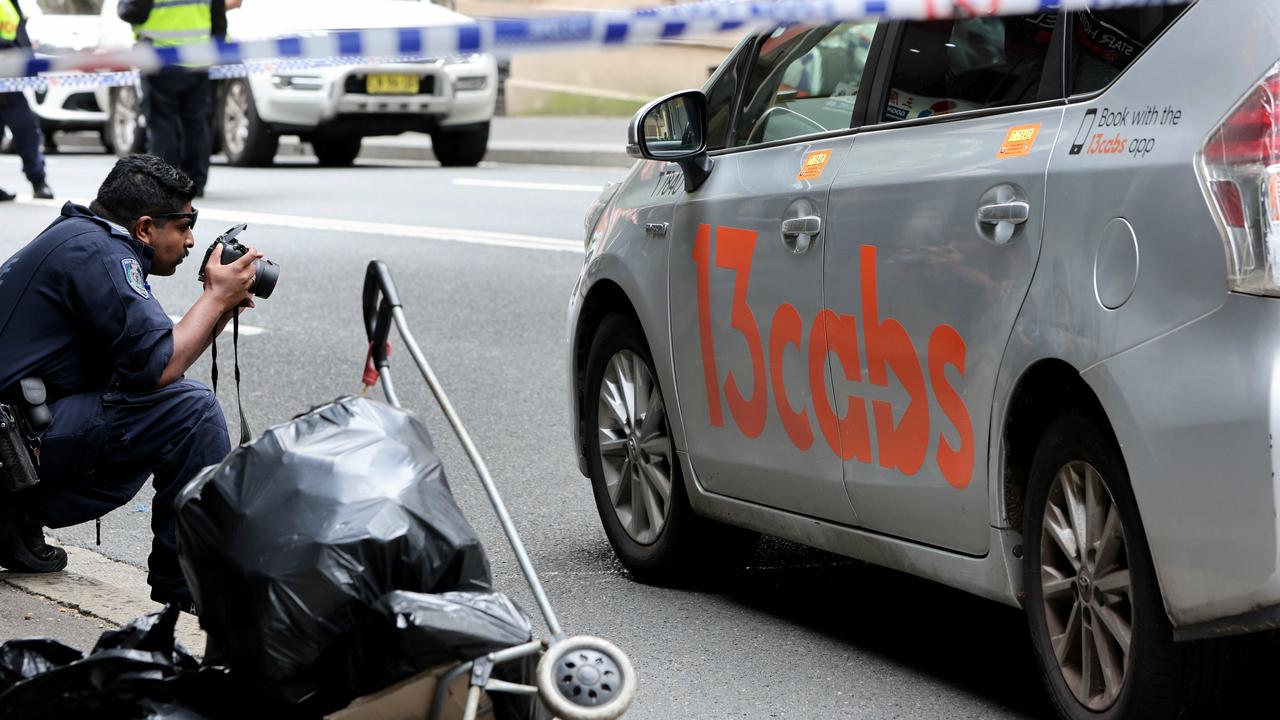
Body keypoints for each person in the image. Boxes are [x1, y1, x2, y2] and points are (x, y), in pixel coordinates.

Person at [0, 154, 262, 609]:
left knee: (166, 400)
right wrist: (215, 296)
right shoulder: (102, 255)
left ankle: (11, 523)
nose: (191, 240)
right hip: (9, 455)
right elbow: (157, 368)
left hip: (12, 446)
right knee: (192, 410)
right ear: (144, 228)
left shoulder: (78, 238)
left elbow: (140, 362)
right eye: (184, 225)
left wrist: (217, 311)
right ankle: (188, 590)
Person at [117, 0, 230, 197]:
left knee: (162, 122)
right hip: (197, 60)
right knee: (196, 122)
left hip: (160, 59)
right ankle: (195, 182)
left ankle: (164, 183)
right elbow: (218, 17)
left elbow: (133, 11)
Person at [0, 0, 53, 202]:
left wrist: (32, 71)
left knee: (26, 131)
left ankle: (39, 182)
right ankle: (39, 181)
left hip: (10, 78)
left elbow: (20, 36)